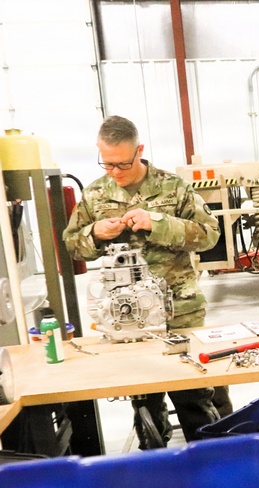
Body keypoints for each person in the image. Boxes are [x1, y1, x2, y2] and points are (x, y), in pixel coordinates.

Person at [64, 115, 233, 448]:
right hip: (128, 319)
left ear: (139, 150)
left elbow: (210, 235)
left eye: (123, 164)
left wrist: (159, 223)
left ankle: (218, 458)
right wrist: (94, 233)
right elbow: (72, 244)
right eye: (107, 163)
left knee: (198, 394)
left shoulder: (174, 187)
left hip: (180, 310)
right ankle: (156, 468)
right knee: (145, 401)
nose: (115, 171)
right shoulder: (96, 194)